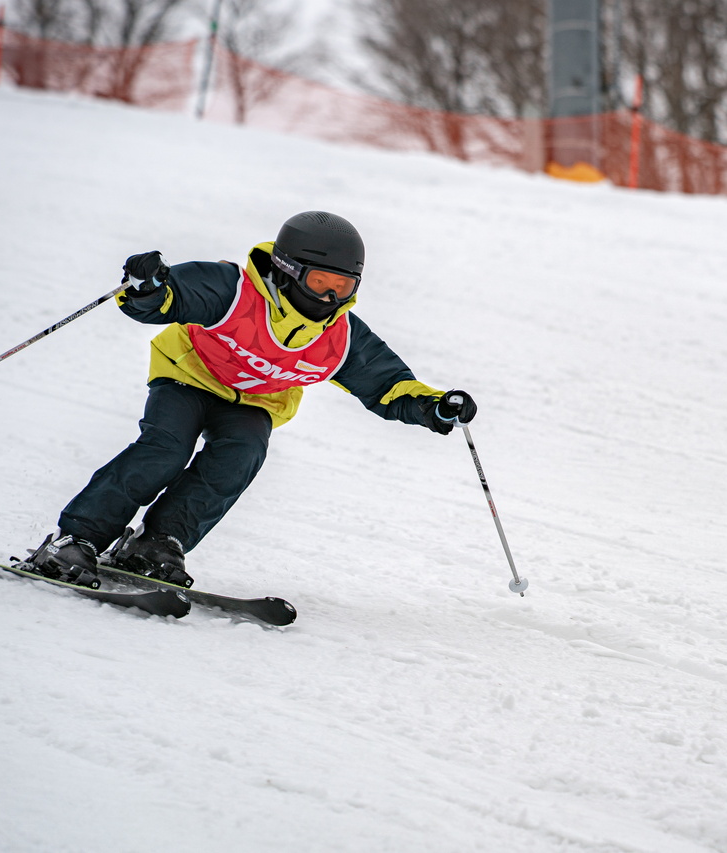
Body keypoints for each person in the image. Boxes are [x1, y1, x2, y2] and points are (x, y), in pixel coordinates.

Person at [26, 210, 476, 588]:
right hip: (189, 377)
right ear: (288, 269)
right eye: (321, 282)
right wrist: (148, 288)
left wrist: (433, 407)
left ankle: (155, 542)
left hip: (255, 403)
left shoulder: (340, 338)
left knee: (240, 456)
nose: (330, 296)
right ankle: (76, 540)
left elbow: (388, 385)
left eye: (343, 287)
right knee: (164, 451)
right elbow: (168, 299)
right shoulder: (234, 291)